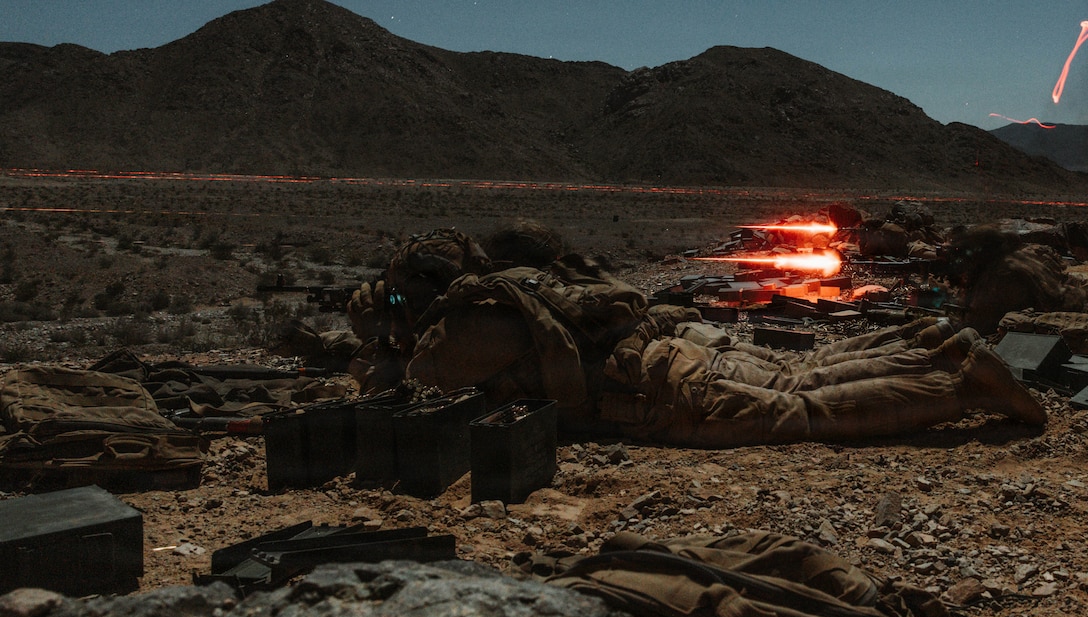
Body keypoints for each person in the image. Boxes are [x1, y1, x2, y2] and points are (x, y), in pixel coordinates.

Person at [347, 224, 1046, 448]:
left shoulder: (454, 331)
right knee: (798, 379)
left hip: (646, 393)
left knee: (802, 412)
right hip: (660, 356)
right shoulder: (512, 285)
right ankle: (933, 349)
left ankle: (958, 386)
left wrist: (385, 343)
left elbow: (413, 393)